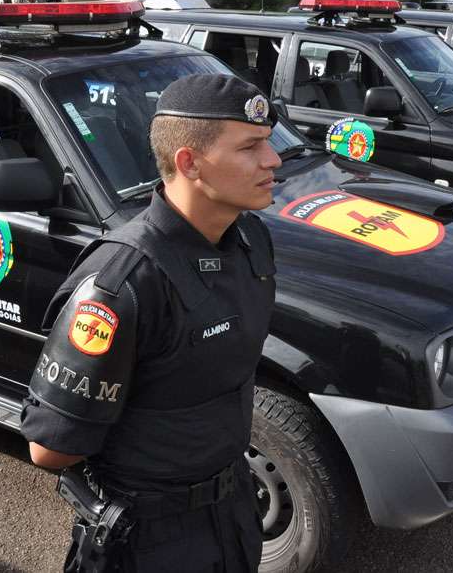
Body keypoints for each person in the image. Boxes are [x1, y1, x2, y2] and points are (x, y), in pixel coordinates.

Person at [21, 74, 281, 573]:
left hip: (233, 514)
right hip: (151, 540)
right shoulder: (124, 281)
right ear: (190, 163)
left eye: (268, 142)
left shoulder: (250, 241)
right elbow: (50, 448)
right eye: (250, 147)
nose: (273, 160)